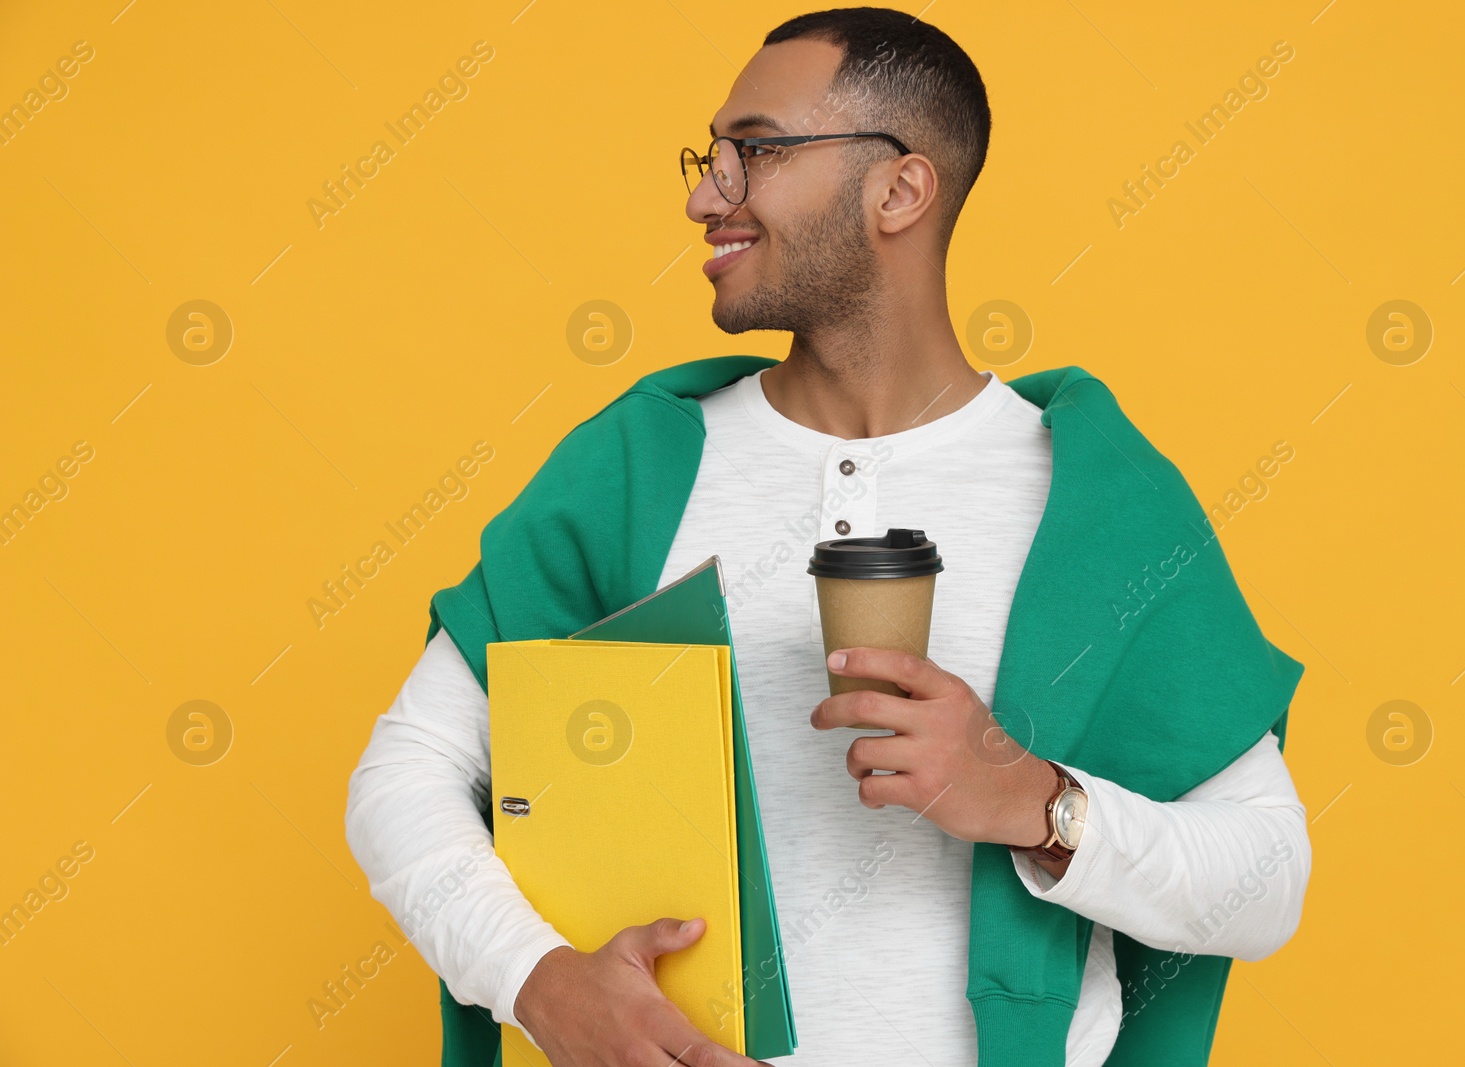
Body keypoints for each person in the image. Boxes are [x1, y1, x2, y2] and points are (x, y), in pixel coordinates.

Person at [346, 8, 1311, 1066]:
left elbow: (1265, 876)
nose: (703, 195)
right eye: (709, 156)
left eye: (753, 151)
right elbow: (407, 771)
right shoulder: (636, 469)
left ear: (898, 189)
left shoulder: (1096, 497)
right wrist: (538, 982)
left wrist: (1035, 800)